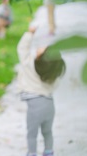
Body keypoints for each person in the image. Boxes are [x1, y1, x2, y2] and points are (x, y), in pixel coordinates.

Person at [17, 25, 66, 156]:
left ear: (40, 57)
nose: (41, 47)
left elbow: (22, 49)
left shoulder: (29, 64)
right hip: (49, 105)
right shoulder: (53, 74)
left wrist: (29, 33)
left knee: (32, 134)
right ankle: (49, 152)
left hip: (35, 107)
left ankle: (32, 153)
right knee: (47, 132)